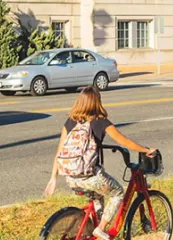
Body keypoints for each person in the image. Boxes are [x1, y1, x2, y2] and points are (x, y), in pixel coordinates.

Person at [46, 86, 156, 240]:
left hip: (71, 178)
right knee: (117, 192)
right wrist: (145, 150)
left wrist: (53, 178)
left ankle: (92, 231)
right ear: (96, 101)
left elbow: (59, 151)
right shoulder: (99, 121)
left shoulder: (71, 121)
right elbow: (123, 141)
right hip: (90, 177)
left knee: (98, 197)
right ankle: (101, 229)